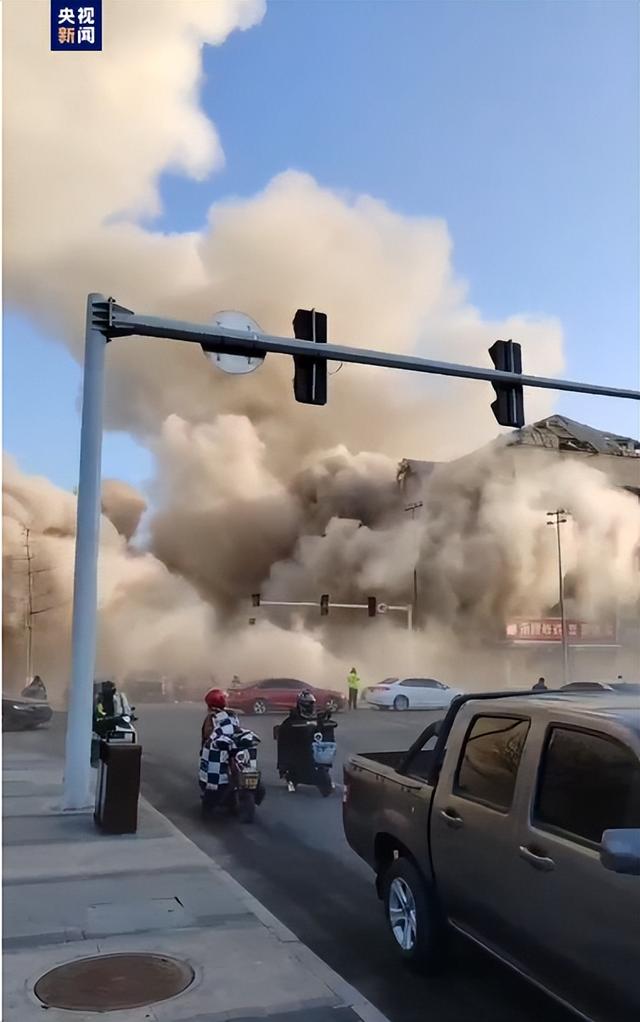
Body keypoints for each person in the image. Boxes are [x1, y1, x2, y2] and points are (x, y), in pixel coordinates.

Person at [199, 688, 260, 805]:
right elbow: (236, 729)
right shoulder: (232, 715)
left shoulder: (212, 718)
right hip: (233, 746)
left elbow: (207, 735)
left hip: (225, 749)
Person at [276, 690, 336, 793]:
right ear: (301, 704)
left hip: (314, 746)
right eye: (308, 704)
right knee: (286, 745)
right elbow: (285, 729)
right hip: (299, 747)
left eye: (312, 703)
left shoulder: (316, 715)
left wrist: (326, 719)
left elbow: (323, 722)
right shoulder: (294, 716)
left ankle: (322, 772)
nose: (311, 706)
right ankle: (288, 772)